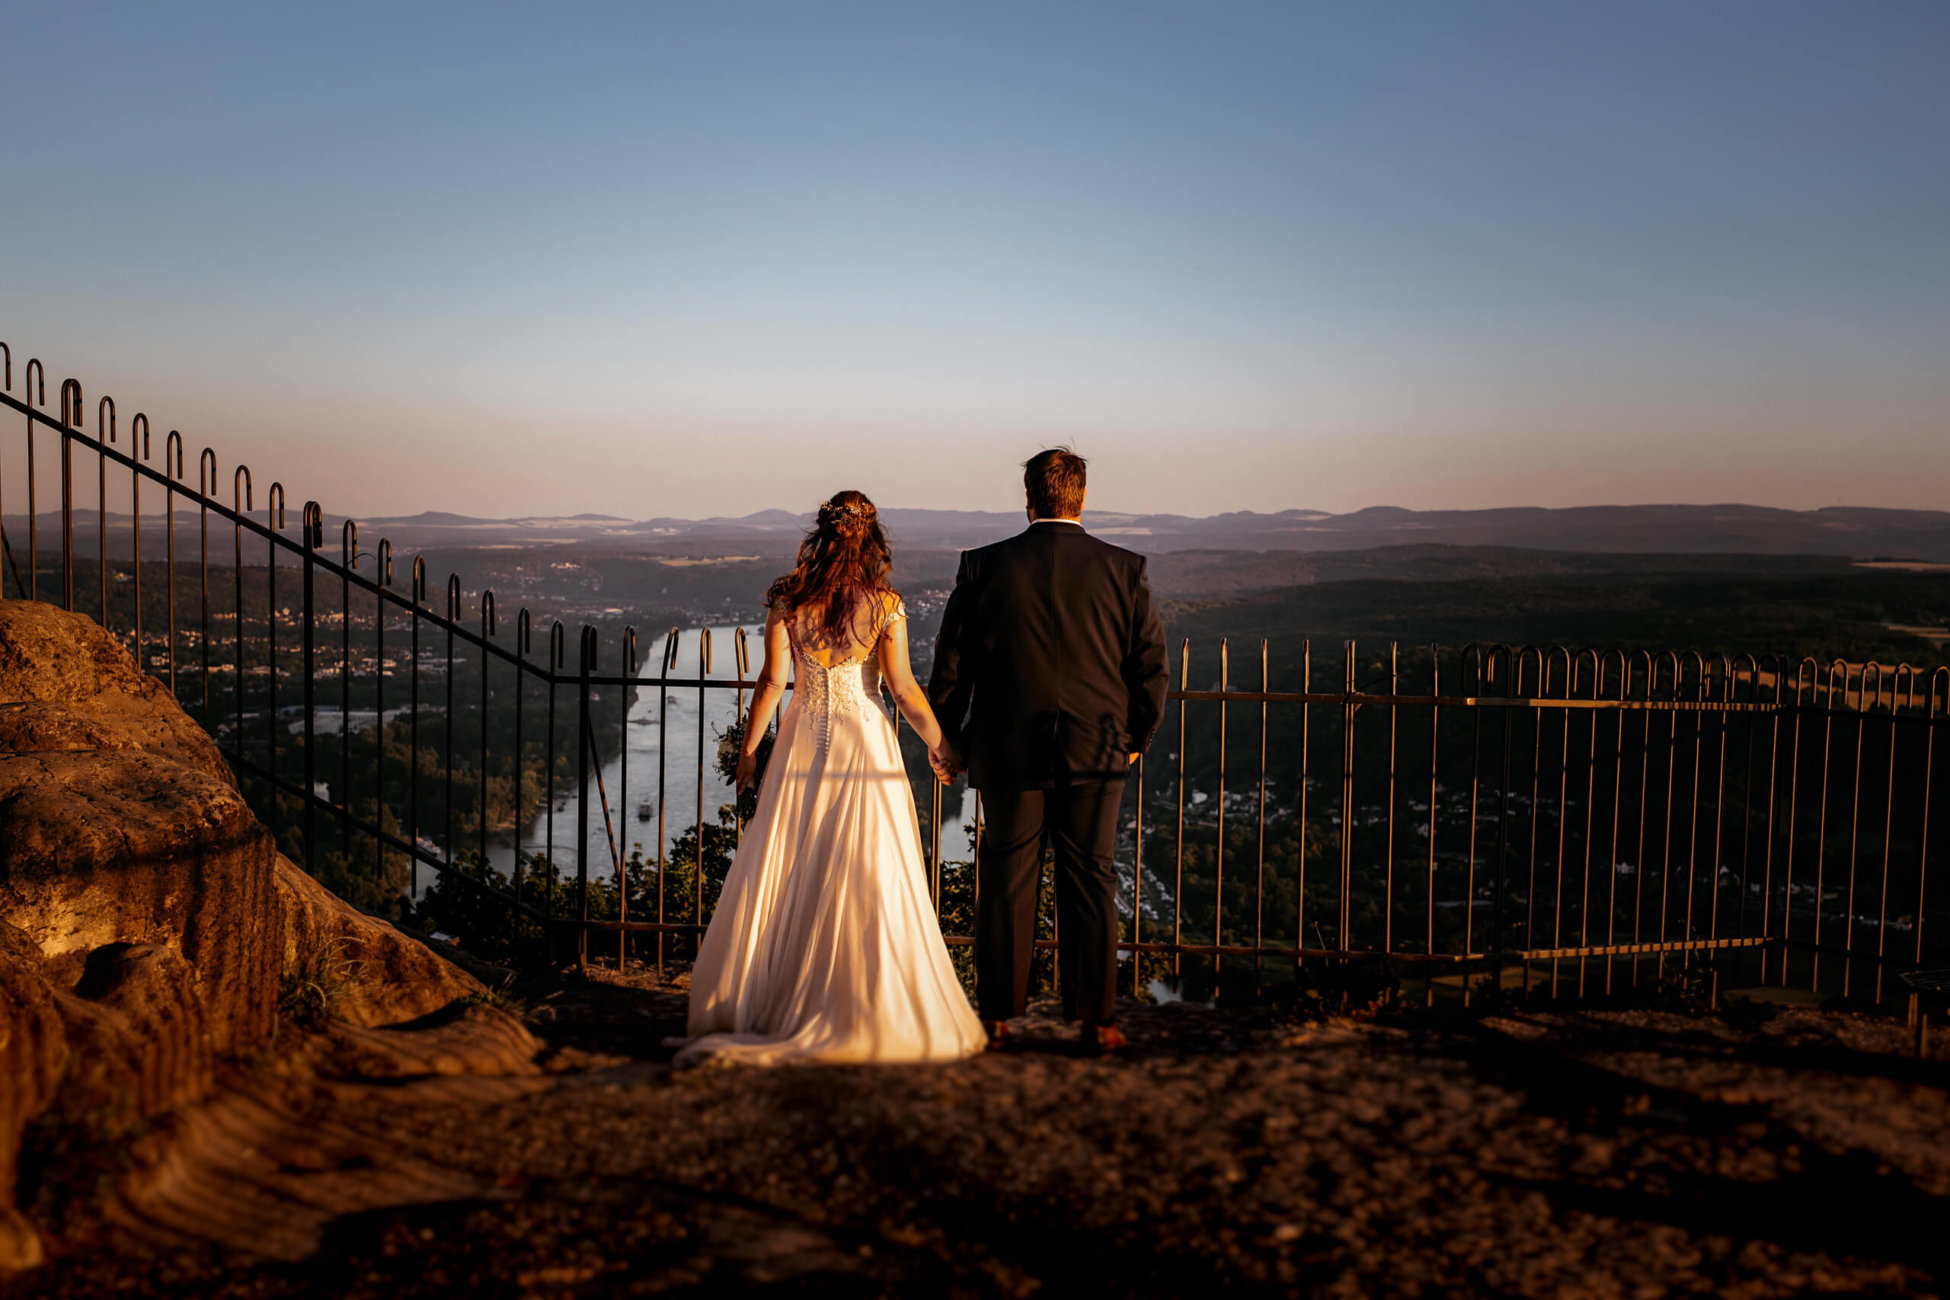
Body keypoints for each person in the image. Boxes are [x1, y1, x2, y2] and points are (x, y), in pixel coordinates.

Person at [673, 491, 985, 1065]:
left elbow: (771, 684)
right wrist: (943, 749)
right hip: (864, 742)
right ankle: (862, 1001)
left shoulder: (789, 600)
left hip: (799, 741)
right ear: (871, 540)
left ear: (820, 535)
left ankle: (770, 1000)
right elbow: (903, 691)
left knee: (789, 859)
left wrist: (748, 753)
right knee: (866, 865)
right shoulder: (886, 605)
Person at [928, 449, 1168, 1055]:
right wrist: (1135, 739)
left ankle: (998, 1018)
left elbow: (953, 667)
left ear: (1028, 498)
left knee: (1008, 878)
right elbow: (1150, 668)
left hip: (1008, 750)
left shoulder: (983, 567)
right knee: (1091, 879)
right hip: (1098, 750)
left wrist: (950, 739)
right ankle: (1095, 1019)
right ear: (1081, 497)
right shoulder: (1124, 568)